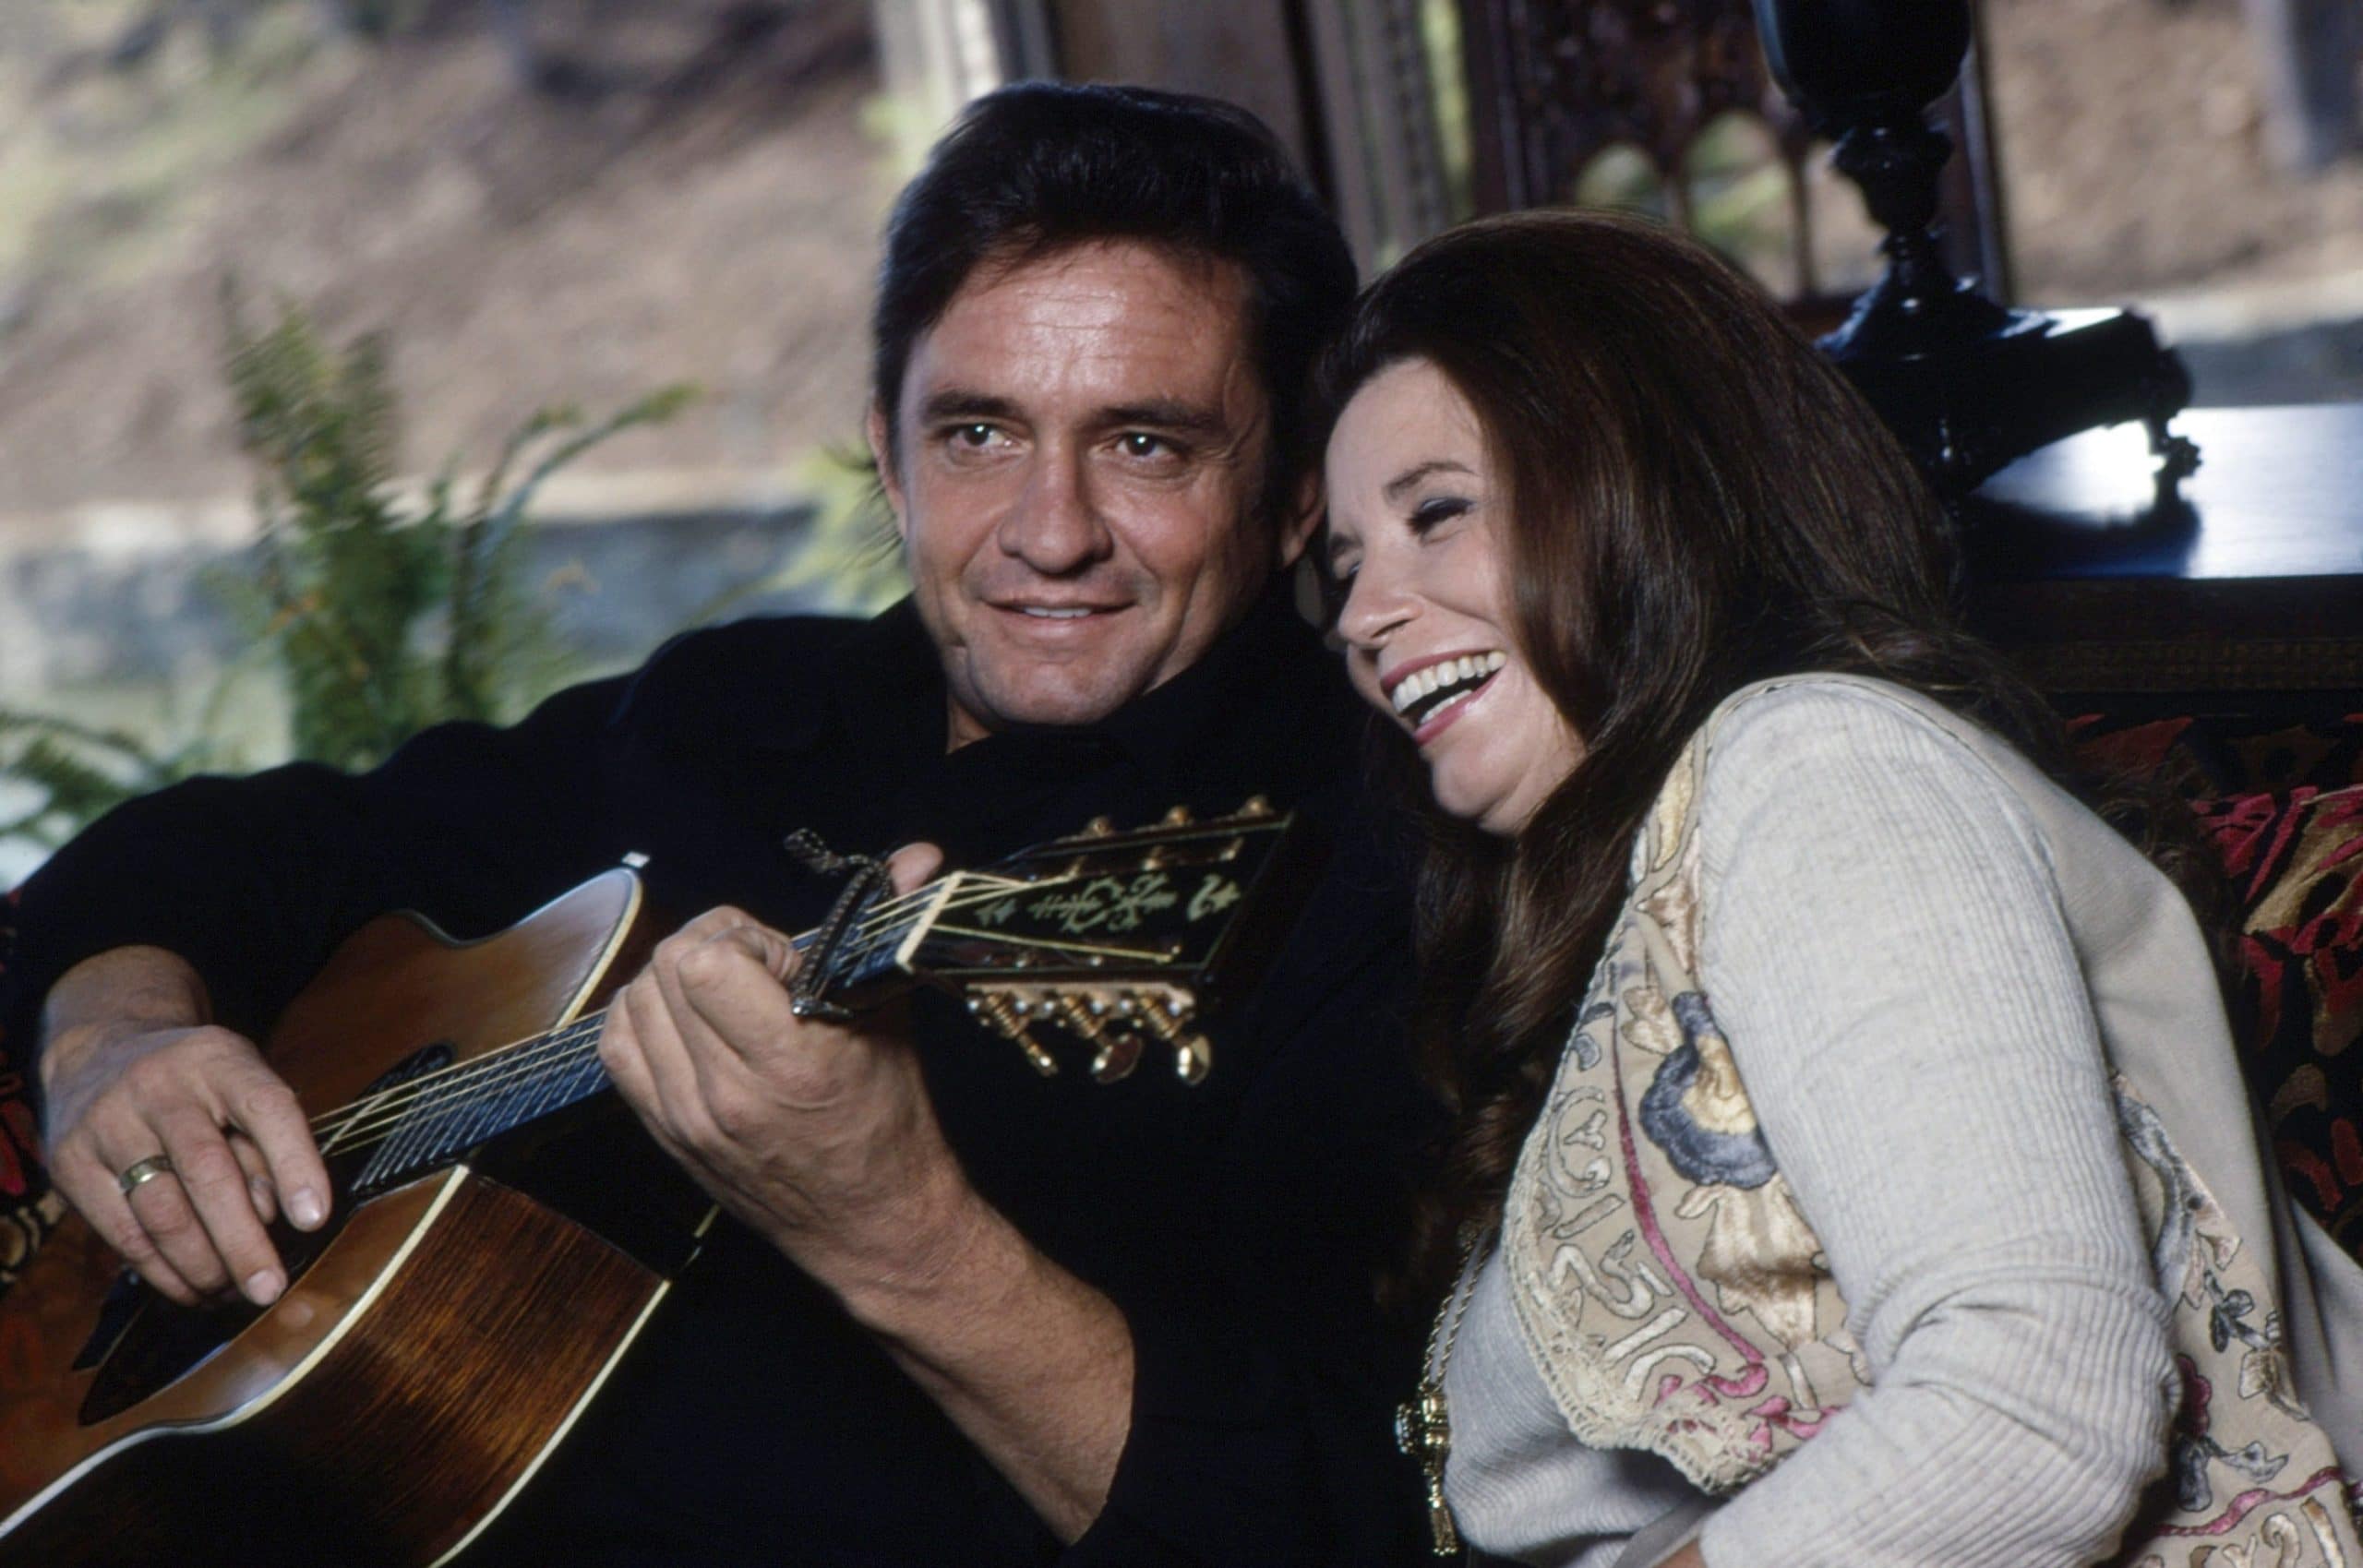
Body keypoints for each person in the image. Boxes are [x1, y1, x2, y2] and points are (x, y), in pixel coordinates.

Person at [6, 83, 1433, 1565]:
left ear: (1286, 498)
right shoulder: (733, 706)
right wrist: (115, 1039)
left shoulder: (1384, 871)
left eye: (1146, 445)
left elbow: (1345, 1530)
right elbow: (260, 841)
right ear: (885, 453)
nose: (1049, 529)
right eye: (977, 434)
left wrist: (899, 1234)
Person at [1316, 209, 2363, 1568]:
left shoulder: (1817, 767)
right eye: (1342, 570)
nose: (1358, 617)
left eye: (1436, 515)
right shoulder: (1660, 870)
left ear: (1647, 491)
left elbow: (2036, 1416)